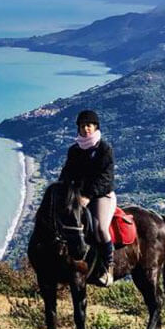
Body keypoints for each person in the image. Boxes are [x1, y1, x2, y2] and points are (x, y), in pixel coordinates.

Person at [59, 109, 116, 287]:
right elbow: (67, 173)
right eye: (82, 126)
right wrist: (61, 190)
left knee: (100, 228)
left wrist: (88, 196)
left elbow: (105, 178)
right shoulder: (75, 150)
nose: (86, 129)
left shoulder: (105, 149)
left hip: (102, 196)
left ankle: (108, 267)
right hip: (78, 196)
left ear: (95, 127)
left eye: (89, 125)